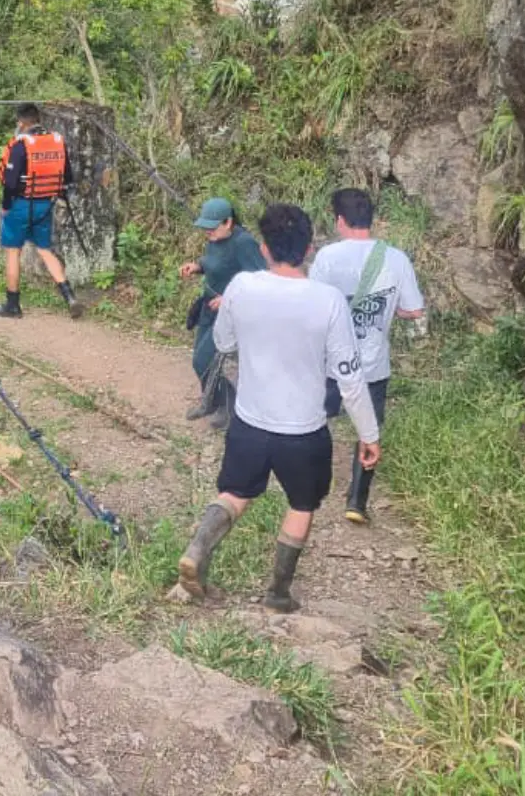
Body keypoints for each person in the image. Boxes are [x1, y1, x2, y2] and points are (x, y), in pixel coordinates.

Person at [175, 203, 382, 613]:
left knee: (234, 494)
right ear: (308, 250)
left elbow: (225, 343)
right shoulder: (328, 301)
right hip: (304, 432)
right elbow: (349, 376)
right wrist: (369, 434)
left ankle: (196, 553)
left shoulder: (242, 288)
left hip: (249, 424)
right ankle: (277, 593)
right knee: (301, 504)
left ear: (265, 249)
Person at [310, 188, 424, 526]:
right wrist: (390, 310)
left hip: (331, 363)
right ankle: (357, 502)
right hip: (373, 366)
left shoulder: (328, 257)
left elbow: (313, 305)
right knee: (368, 430)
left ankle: (311, 478)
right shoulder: (397, 258)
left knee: (317, 417)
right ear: (371, 220)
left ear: (339, 220)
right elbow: (413, 309)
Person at [0, 104, 84, 320]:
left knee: (13, 251)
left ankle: (12, 305)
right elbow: (67, 177)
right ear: (39, 120)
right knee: (45, 250)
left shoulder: (21, 145)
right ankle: (69, 296)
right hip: (45, 205)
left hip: (21, 206)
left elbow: (11, 183)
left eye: (18, 123)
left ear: (22, 123)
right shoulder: (57, 141)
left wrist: (6, 207)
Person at [178, 197, 267, 422]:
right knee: (200, 360)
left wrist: (228, 298)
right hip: (208, 307)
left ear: (228, 222)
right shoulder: (216, 238)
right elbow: (214, 262)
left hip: (228, 312)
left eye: (212, 227)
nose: (207, 232)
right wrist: (197, 267)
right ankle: (215, 402)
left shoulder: (244, 243)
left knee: (203, 360)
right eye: (205, 227)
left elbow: (260, 280)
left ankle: (227, 406)